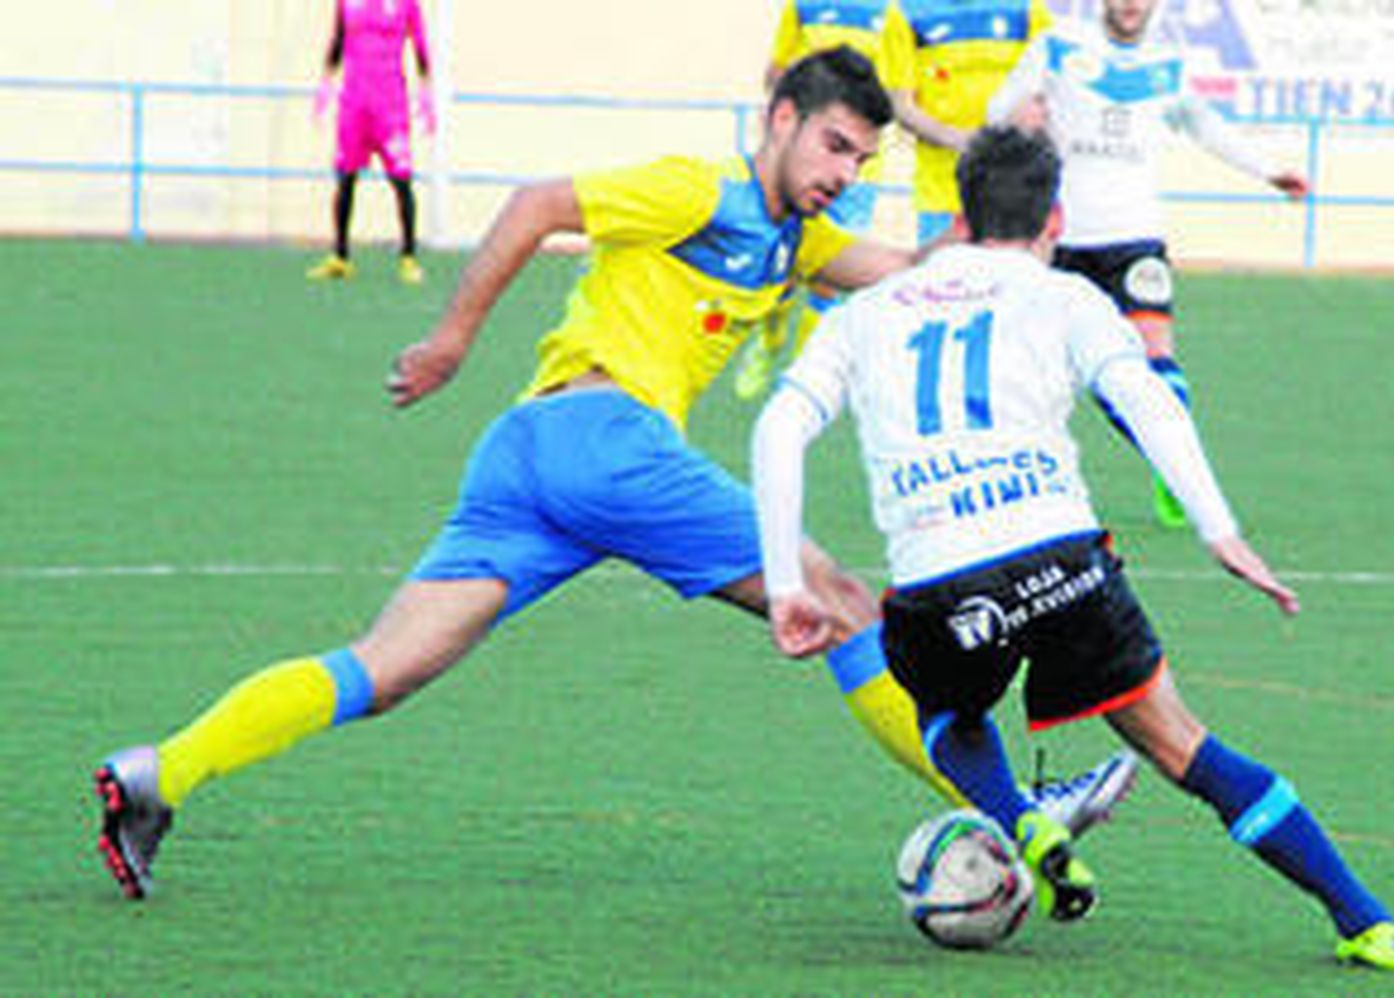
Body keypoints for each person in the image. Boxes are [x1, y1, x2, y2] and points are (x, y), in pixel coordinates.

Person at [92, 49, 1126, 904]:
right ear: (780, 118)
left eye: (860, 156)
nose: (843, 169)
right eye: (832, 144)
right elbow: (540, 202)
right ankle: (1023, 819)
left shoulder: (796, 237)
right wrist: (453, 335)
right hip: (605, 444)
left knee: (385, 667)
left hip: (529, 459)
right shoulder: (696, 190)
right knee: (844, 602)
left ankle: (158, 772)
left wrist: (996, 237)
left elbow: (906, 274)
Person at [751, 124, 1394, 967]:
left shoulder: (866, 312)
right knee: (1184, 746)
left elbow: (779, 428)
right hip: (1063, 559)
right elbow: (1146, 396)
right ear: (1054, 219)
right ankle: (1364, 920)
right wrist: (1221, 529)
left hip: (938, 579)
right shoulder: (1067, 298)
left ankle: (1021, 820)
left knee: (949, 718)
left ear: (961, 215)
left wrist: (784, 584)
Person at [987, 0, 1309, 527]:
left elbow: (1208, 128)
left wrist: (1270, 171)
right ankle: (1033, 481)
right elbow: (998, 112)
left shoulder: (1170, 67)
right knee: (1064, 374)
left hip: (1136, 239)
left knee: (1157, 361)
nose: (1132, 5)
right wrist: (1020, 118)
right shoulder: (1059, 48)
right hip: (1063, 240)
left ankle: (1173, 470)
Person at [734, 0, 894, 401]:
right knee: (782, 262)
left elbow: (896, 89)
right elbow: (776, 70)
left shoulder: (893, 12)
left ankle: (801, 367)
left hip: (858, 176)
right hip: (809, 160)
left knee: (827, 276)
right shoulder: (804, 6)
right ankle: (769, 342)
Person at [881, 0, 1053, 245]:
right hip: (942, 195)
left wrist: (1007, 137)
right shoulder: (904, 13)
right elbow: (900, 104)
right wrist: (959, 139)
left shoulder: (1028, 8)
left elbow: (1048, 88)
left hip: (1017, 189)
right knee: (945, 280)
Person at [306, 0, 436, 285]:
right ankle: (340, 256)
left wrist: (426, 92)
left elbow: (421, 46)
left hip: (390, 103)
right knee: (345, 178)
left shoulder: (406, 4)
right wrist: (325, 85)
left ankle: (409, 256)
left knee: (401, 181)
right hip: (354, 101)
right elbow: (337, 40)